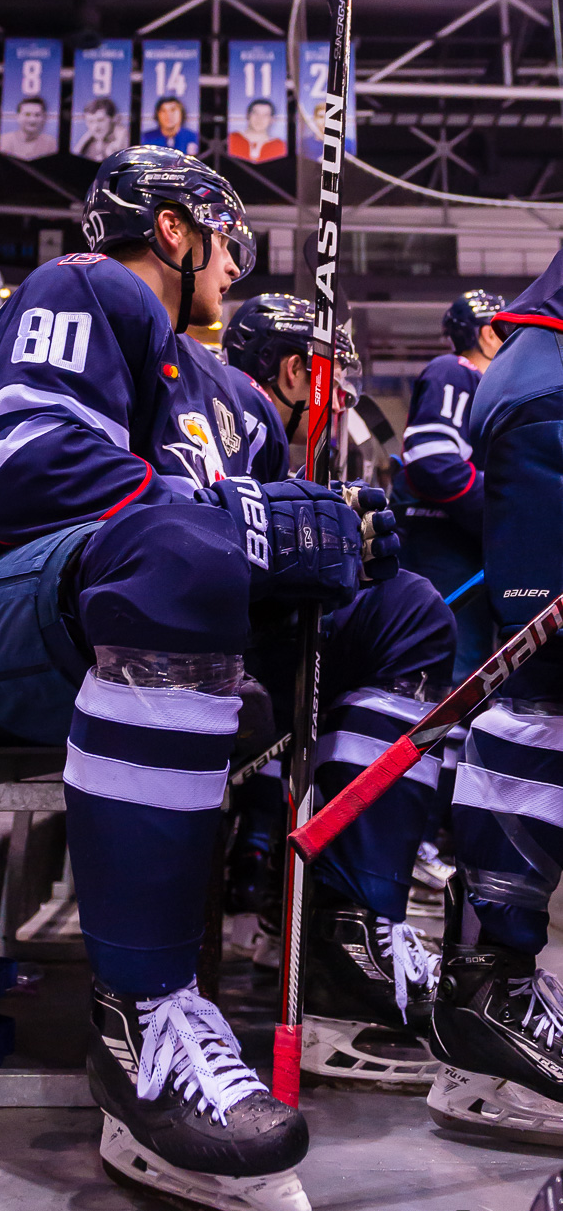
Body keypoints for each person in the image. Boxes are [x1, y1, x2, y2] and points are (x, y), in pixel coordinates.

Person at [0, 146, 444, 1211]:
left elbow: (258, 550)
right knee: (180, 550)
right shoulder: (84, 288)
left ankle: (345, 941)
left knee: (407, 612)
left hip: (141, 617)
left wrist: (338, 544)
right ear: (174, 228)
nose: (236, 264)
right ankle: (141, 1016)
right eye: (225, 237)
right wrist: (248, 523)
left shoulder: (237, 399)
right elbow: (27, 472)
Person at [224, 293, 454, 1085]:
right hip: (173, 664)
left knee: (399, 605)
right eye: (335, 379)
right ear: (296, 371)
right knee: (410, 617)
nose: (346, 398)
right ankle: (347, 938)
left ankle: (324, 914)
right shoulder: (239, 415)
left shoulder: (243, 424)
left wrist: (339, 553)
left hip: (194, 649)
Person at [424, 250, 563, 1147]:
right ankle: (489, 996)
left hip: (543, 383)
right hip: (551, 394)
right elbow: (434, 463)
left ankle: (489, 998)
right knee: (546, 694)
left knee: (544, 698)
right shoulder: (451, 373)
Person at [392, 290, 504, 685]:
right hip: (440, 547)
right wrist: (505, 511)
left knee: (469, 674)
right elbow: (433, 462)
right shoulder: (455, 371)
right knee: (448, 678)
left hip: (460, 547)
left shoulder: (485, 387)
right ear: (488, 334)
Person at [0, 96, 58, 160]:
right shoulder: (3, 142)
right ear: (17, 116)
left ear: (44, 118)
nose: (32, 120)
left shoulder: (51, 144)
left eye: (37, 115)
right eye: (27, 114)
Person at [228, 99, 287, 163]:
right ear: (248, 115)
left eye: (265, 115)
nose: (259, 119)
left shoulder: (280, 146)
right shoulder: (231, 139)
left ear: (272, 120)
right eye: (255, 113)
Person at [74, 97, 129, 162]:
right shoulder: (89, 146)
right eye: (90, 121)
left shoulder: (125, 140)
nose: (95, 127)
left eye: (101, 120)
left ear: (113, 118)